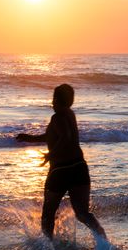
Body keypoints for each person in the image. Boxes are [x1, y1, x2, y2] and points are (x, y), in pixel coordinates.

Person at [16, 84, 107, 241]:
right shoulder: (70, 114)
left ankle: (48, 246)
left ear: (57, 100)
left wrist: (51, 155)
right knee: (82, 213)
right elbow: (56, 135)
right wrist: (30, 138)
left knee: (48, 213)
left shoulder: (57, 117)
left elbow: (65, 137)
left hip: (60, 171)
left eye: (53, 99)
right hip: (79, 168)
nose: (52, 103)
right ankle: (103, 240)